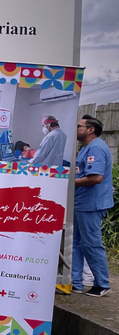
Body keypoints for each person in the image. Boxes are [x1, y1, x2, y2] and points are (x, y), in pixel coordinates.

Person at [72, 114, 114, 297]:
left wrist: (69, 182)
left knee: (91, 244)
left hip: (91, 204)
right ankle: (75, 282)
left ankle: (102, 284)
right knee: (75, 244)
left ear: (91, 130)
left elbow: (96, 178)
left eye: (79, 126)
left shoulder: (96, 148)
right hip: (82, 203)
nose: (77, 129)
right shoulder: (86, 148)